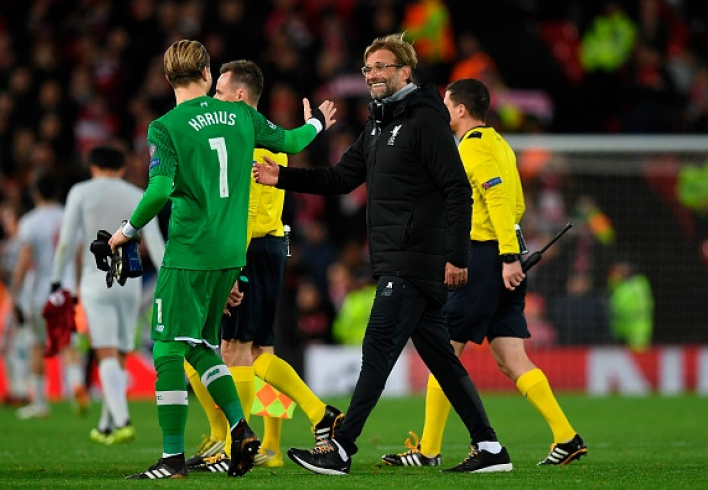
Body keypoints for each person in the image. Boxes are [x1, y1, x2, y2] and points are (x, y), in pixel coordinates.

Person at [254, 32, 512, 475]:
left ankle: (340, 448)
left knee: (377, 349)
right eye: (367, 68)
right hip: (402, 258)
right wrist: (283, 178)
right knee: (442, 361)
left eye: (381, 67)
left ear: (405, 72)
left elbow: (457, 191)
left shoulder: (425, 121)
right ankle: (490, 448)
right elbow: (339, 178)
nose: (372, 74)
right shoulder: (378, 124)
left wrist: (458, 257)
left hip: (414, 259)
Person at [107, 39, 336, 480]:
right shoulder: (242, 115)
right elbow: (292, 139)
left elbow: (157, 190)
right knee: (203, 346)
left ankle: (173, 459)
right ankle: (240, 428)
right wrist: (318, 123)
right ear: (208, 74)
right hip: (235, 253)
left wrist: (126, 232)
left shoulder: (165, 127)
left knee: (169, 350)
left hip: (191, 249)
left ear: (168, 78)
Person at [382, 78, 586, 468]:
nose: (443, 111)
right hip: (505, 257)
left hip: (485, 259)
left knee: (443, 352)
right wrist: (511, 253)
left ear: (460, 109)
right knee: (511, 358)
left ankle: (427, 451)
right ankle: (566, 436)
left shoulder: (473, 149)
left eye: (446, 103)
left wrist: (505, 256)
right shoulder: (501, 145)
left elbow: (494, 199)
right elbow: (517, 203)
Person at [183, 59, 344, 473]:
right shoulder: (269, 132)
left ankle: (233, 443)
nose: (214, 97)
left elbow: (246, 212)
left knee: (228, 350)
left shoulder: (241, 134)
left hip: (249, 249)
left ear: (239, 96)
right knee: (260, 351)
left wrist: (232, 266)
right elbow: (294, 142)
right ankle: (285, 435)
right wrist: (317, 126)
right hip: (273, 245)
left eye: (220, 91)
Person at [50, 145, 166, 445]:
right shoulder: (136, 193)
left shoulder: (81, 192)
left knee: (105, 352)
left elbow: (66, 241)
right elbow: (154, 241)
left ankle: (123, 421)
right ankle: (106, 426)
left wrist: (55, 281)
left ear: (92, 166)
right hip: (130, 283)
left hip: (96, 278)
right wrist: (168, 277)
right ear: (123, 168)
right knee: (120, 353)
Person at [10, 172, 86, 420]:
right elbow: (78, 256)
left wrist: (14, 293)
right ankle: (76, 387)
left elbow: (24, 261)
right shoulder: (69, 217)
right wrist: (77, 287)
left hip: (40, 292)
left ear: (36, 193)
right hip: (65, 291)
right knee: (67, 344)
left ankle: (40, 403)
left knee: (35, 345)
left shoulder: (30, 222)